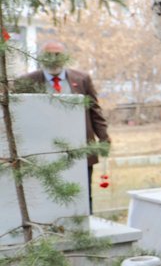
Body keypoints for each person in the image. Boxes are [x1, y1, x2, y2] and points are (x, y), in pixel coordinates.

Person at [18, 40, 110, 212]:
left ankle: (85, 229)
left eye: (58, 54)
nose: (53, 59)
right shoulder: (27, 81)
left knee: (83, 193)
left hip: (80, 148)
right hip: (44, 151)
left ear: (65, 57)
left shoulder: (82, 79)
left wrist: (103, 138)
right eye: (48, 55)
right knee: (47, 195)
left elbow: (94, 110)